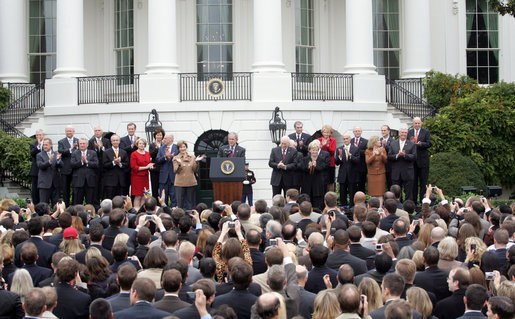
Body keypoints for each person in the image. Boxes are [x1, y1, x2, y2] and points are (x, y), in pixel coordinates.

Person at [173, 140, 205, 210]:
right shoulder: (176, 158)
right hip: (180, 183)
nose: (182, 149)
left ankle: (190, 218)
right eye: (181, 147)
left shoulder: (192, 157)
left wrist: (196, 162)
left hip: (190, 182)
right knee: (180, 203)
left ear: (186, 147)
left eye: (184, 147)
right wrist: (179, 164)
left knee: (190, 203)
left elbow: (194, 169)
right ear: (178, 148)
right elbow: (175, 171)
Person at [387, 127, 417, 201]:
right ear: (399, 133)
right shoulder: (393, 144)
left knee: (408, 192)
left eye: (405, 132)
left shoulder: (412, 144)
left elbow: (414, 156)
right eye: (402, 132)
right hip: (396, 172)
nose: (403, 134)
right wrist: (397, 155)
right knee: (396, 193)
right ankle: (397, 208)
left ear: (407, 134)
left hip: (407, 172)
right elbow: (389, 156)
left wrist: (404, 155)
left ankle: (408, 209)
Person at [407, 117, 431, 203]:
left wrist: (421, 144)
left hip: (423, 161)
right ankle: (413, 202)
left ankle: (422, 201)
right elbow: (406, 144)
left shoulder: (426, 132)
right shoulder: (409, 132)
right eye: (415, 123)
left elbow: (429, 143)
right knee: (413, 182)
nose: (417, 125)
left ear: (421, 123)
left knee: (423, 183)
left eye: (418, 123)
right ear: (413, 124)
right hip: (412, 162)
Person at [300, 140, 328, 210]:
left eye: (316, 150)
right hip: (307, 184)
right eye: (313, 150)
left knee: (317, 203)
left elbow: (323, 167)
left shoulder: (321, 159)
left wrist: (316, 166)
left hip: (317, 185)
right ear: (310, 150)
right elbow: (302, 168)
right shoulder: (305, 159)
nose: (314, 152)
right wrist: (308, 167)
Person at [335, 132, 360, 207]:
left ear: (350, 139)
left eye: (347, 138)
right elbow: (337, 163)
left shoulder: (355, 148)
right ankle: (343, 208)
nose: (345, 140)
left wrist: (350, 155)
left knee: (352, 192)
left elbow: (357, 161)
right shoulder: (339, 149)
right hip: (343, 175)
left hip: (352, 175)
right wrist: (339, 156)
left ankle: (352, 208)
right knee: (342, 193)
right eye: (344, 139)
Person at [71, 138, 99, 205]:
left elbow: (96, 164)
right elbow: (72, 164)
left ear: (87, 144)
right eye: (80, 143)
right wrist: (81, 162)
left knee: (90, 202)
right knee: (77, 202)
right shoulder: (75, 153)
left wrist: (87, 162)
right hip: (78, 182)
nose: (82, 145)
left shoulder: (92, 153)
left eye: (83, 143)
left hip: (90, 181)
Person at [88, 126, 111, 205]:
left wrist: (102, 147)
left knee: (104, 186)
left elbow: (109, 152)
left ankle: (104, 203)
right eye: (96, 131)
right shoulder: (91, 141)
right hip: (95, 168)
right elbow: (89, 153)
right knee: (95, 186)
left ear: (102, 132)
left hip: (105, 167)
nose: (97, 132)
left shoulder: (107, 141)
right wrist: (95, 149)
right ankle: (96, 204)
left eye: (99, 130)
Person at [102, 134, 129, 199]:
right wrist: (114, 162)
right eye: (113, 140)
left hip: (121, 181)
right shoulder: (106, 152)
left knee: (121, 200)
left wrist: (120, 163)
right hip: (110, 181)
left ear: (119, 141)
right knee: (110, 199)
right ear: (111, 142)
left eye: (117, 140)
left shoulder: (124, 152)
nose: (115, 142)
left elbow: (127, 164)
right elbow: (104, 165)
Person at [36, 138, 62, 206]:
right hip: (44, 184)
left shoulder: (56, 154)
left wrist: (58, 160)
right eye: (44, 145)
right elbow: (40, 165)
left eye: (46, 145)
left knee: (56, 204)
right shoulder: (39, 155)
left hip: (55, 183)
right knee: (43, 204)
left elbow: (61, 165)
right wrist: (49, 161)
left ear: (51, 145)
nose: (45, 146)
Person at [57, 125, 79, 206]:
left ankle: (74, 205)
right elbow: (60, 151)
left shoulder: (78, 141)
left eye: (70, 131)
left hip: (75, 169)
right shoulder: (61, 142)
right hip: (65, 169)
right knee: (65, 189)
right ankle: (66, 205)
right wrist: (71, 148)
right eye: (67, 131)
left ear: (73, 131)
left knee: (75, 189)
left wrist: (76, 149)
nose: (69, 132)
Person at [156, 133, 179, 207]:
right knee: (163, 198)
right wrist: (165, 157)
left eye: (165, 138)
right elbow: (158, 160)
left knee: (174, 198)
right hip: (164, 178)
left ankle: (174, 214)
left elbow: (180, 159)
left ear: (171, 139)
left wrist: (173, 157)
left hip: (174, 177)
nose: (163, 140)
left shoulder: (177, 148)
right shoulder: (161, 148)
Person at [130, 138, 153, 209]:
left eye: (143, 143)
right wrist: (146, 167)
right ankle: (136, 210)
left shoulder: (147, 153)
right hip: (137, 177)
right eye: (140, 143)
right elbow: (134, 167)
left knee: (144, 195)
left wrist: (150, 166)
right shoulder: (134, 154)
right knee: (138, 196)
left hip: (145, 177)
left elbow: (149, 163)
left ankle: (143, 210)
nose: (142, 145)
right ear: (137, 144)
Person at [120, 122, 139, 195]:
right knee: (126, 186)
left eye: (132, 129)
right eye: (129, 129)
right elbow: (122, 150)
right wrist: (132, 145)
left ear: (135, 129)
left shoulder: (139, 139)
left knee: (136, 187)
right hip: (126, 166)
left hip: (136, 166)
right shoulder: (122, 139)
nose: (131, 130)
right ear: (127, 130)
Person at [318, 124, 336, 192]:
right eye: (325, 132)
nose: (326, 134)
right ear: (322, 132)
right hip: (321, 163)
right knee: (321, 181)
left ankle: (331, 197)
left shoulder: (333, 140)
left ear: (330, 133)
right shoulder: (319, 140)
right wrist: (322, 145)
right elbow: (317, 151)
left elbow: (332, 152)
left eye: (328, 132)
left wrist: (328, 146)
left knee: (330, 182)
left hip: (330, 164)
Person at [148, 128, 165, 201]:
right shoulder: (152, 145)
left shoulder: (164, 144)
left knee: (162, 188)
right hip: (155, 169)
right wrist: (157, 148)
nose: (159, 136)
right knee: (155, 188)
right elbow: (151, 155)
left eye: (160, 135)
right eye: (157, 135)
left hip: (163, 168)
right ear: (155, 136)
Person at [351, 126, 368, 193]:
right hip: (352, 167)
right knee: (353, 186)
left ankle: (362, 201)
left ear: (361, 132)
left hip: (362, 167)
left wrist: (357, 149)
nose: (357, 132)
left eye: (358, 131)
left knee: (362, 186)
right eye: (356, 131)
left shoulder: (366, 141)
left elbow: (366, 152)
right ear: (353, 132)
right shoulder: (350, 141)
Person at [30, 129, 45, 204]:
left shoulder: (46, 143)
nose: (38, 137)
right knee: (35, 189)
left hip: (44, 170)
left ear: (43, 136)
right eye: (37, 135)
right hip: (36, 170)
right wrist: (38, 146)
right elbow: (32, 154)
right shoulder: (33, 144)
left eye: (40, 135)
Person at [380, 125, 394, 189]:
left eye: (384, 130)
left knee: (390, 183)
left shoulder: (393, 141)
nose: (383, 132)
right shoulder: (379, 140)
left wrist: (385, 146)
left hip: (389, 166)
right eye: (382, 130)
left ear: (388, 131)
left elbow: (392, 151)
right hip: (380, 166)